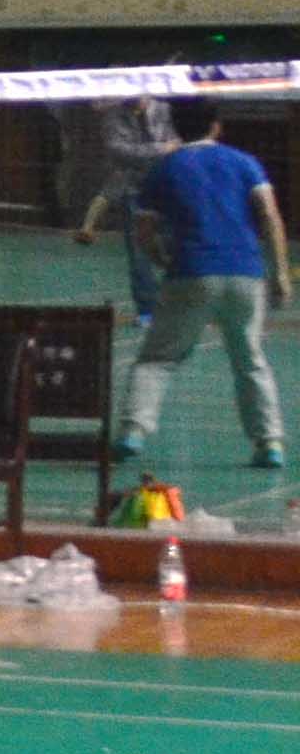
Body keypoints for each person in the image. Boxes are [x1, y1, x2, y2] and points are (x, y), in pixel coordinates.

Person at [116, 98, 291, 474]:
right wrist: (279, 273)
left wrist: (162, 259)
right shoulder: (245, 163)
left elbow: (143, 230)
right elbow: (270, 216)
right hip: (246, 274)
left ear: (176, 127)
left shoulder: (165, 168)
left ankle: (133, 432)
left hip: (190, 272)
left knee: (157, 359)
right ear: (217, 126)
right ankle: (270, 442)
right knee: (250, 360)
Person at [75, 88, 180, 327]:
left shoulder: (164, 110)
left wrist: (161, 152)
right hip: (133, 189)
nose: (136, 100)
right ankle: (148, 310)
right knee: (139, 254)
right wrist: (161, 149)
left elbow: (177, 144)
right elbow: (120, 152)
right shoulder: (114, 117)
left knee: (178, 246)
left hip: (167, 186)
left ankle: (183, 304)